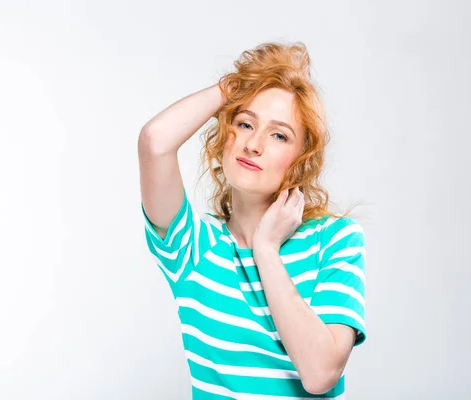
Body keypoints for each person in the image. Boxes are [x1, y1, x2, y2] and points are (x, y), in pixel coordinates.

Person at [138, 41, 367, 399]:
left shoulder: (335, 240)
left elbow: (321, 373)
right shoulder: (194, 248)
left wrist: (266, 249)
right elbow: (155, 142)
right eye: (245, 123)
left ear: (301, 159)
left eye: (279, 135)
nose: (254, 144)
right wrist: (238, 85)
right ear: (225, 136)